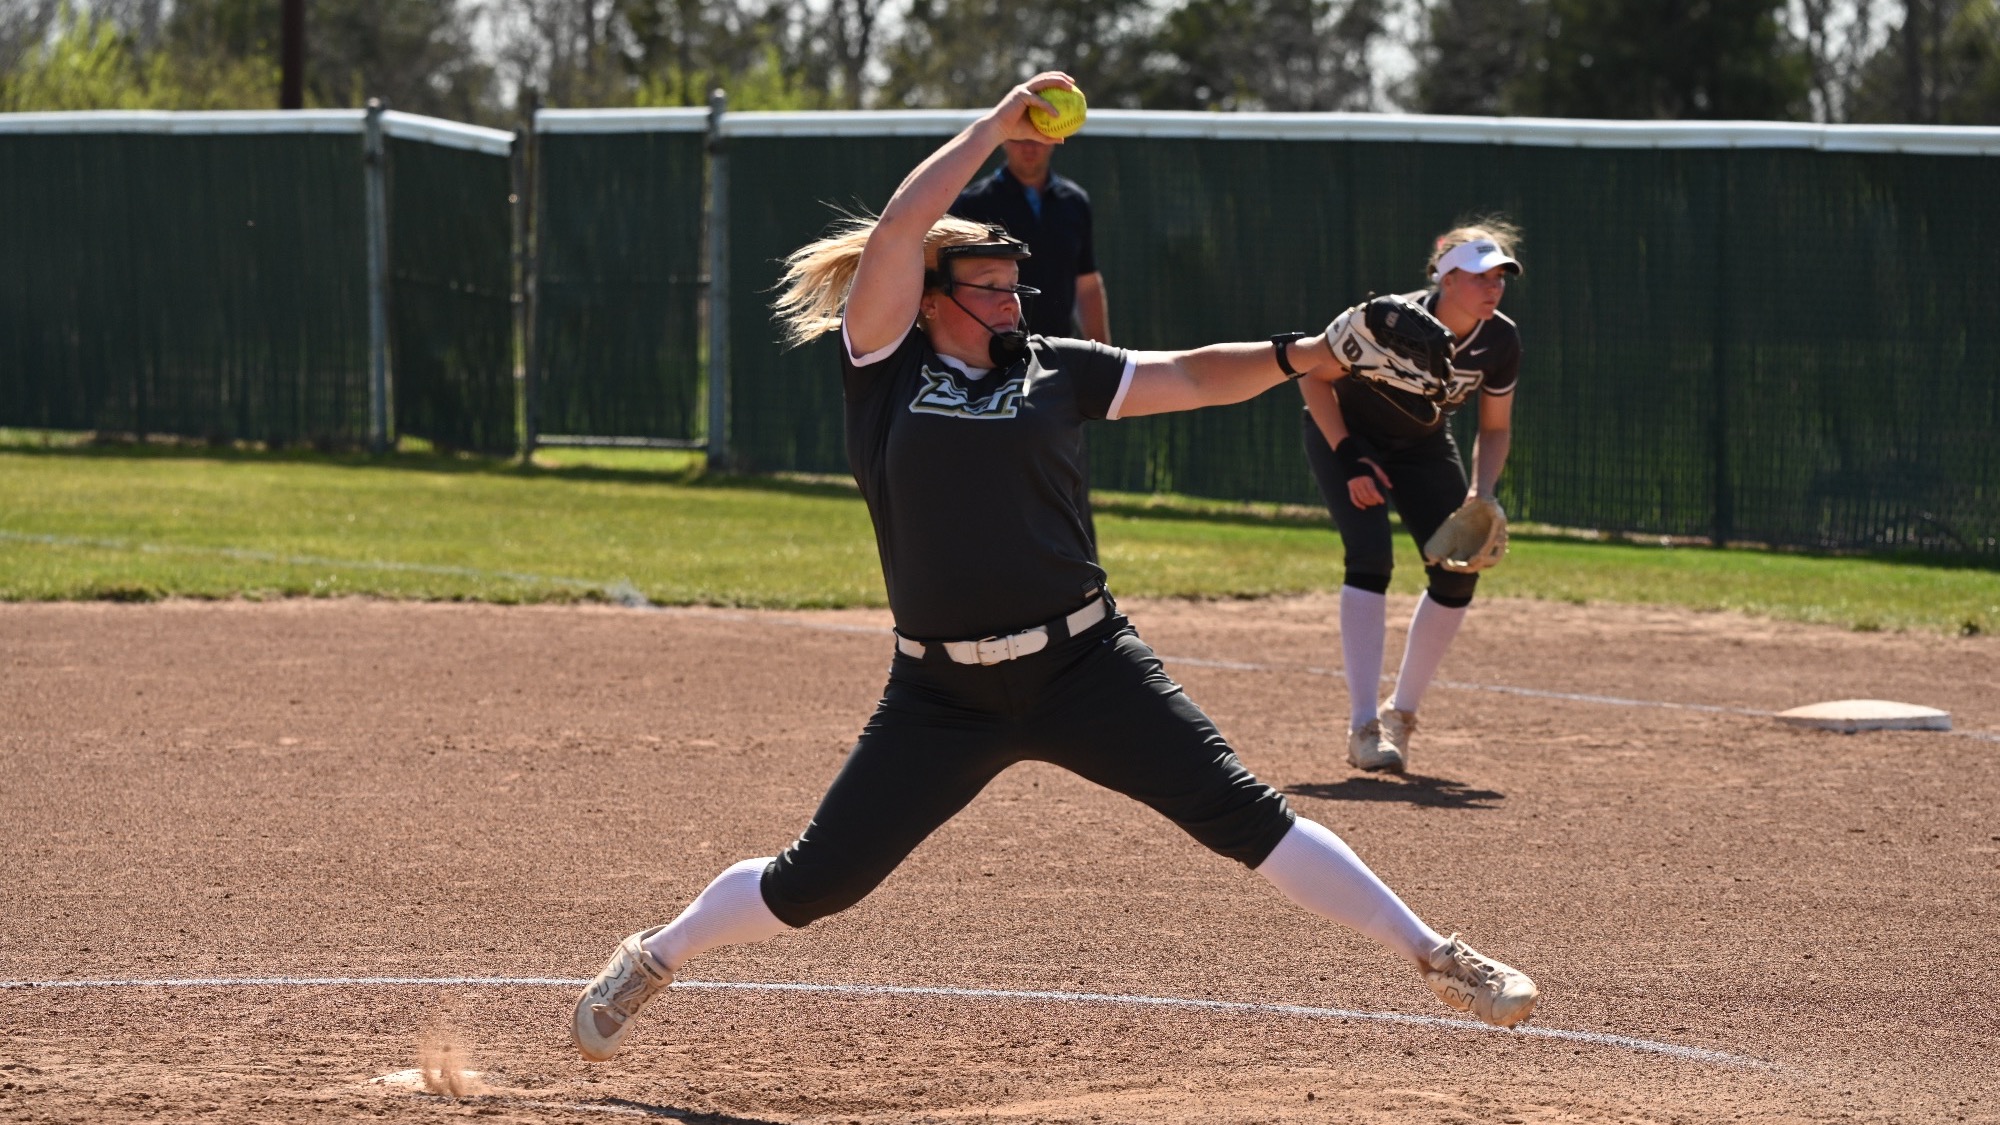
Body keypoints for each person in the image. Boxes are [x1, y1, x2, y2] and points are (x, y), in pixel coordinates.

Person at [569, 78, 1538, 1063]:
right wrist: (994, 126)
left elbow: (1195, 374)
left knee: (1247, 818)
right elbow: (903, 226)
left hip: (1086, 667)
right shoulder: (883, 371)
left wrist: (1305, 352)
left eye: (1011, 283)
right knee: (813, 883)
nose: (1010, 297)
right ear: (932, 298)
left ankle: (1435, 955)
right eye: (986, 285)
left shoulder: (1053, 369)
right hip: (940, 693)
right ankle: (655, 955)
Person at [1298, 222, 1524, 775]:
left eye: (1500, 276)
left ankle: (1399, 715)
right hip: (1346, 435)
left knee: (1457, 569)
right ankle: (1362, 728)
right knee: (1372, 558)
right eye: (1480, 275)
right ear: (1446, 278)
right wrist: (1350, 457)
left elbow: (1495, 428)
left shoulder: (1500, 340)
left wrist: (1483, 490)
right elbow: (1312, 374)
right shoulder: (1388, 319)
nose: (1493, 287)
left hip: (1422, 447)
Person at [949, 134, 1109, 343]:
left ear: (1055, 139)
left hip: (1058, 353)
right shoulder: (972, 204)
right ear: (1004, 139)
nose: (1029, 147)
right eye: (1020, 137)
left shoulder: (1075, 201)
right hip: (992, 357)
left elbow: (1086, 283)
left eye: (1038, 138)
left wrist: (1101, 361)